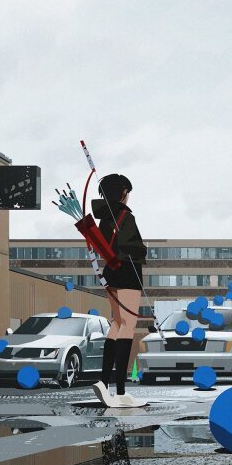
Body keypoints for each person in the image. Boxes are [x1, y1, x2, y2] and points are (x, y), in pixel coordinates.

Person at [90, 173, 148, 408]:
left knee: (116, 323)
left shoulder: (104, 217)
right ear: (122, 192)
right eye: (127, 192)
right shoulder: (125, 217)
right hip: (127, 273)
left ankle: (104, 383)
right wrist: (143, 249)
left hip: (111, 273)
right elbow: (133, 247)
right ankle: (121, 391)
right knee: (128, 326)